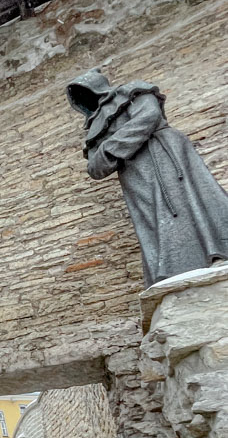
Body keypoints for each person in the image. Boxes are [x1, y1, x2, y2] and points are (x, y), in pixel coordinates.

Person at [66, 69, 228, 286]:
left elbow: (148, 116)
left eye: (86, 91)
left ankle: (214, 253)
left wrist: (110, 147)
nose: (85, 98)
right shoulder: (95, 126)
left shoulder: (130, 92)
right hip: (134, 175)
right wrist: (110, 150)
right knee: (153, 220)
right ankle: (172, 271)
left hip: (164, 153)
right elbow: (95, 168)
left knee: (187, 201)